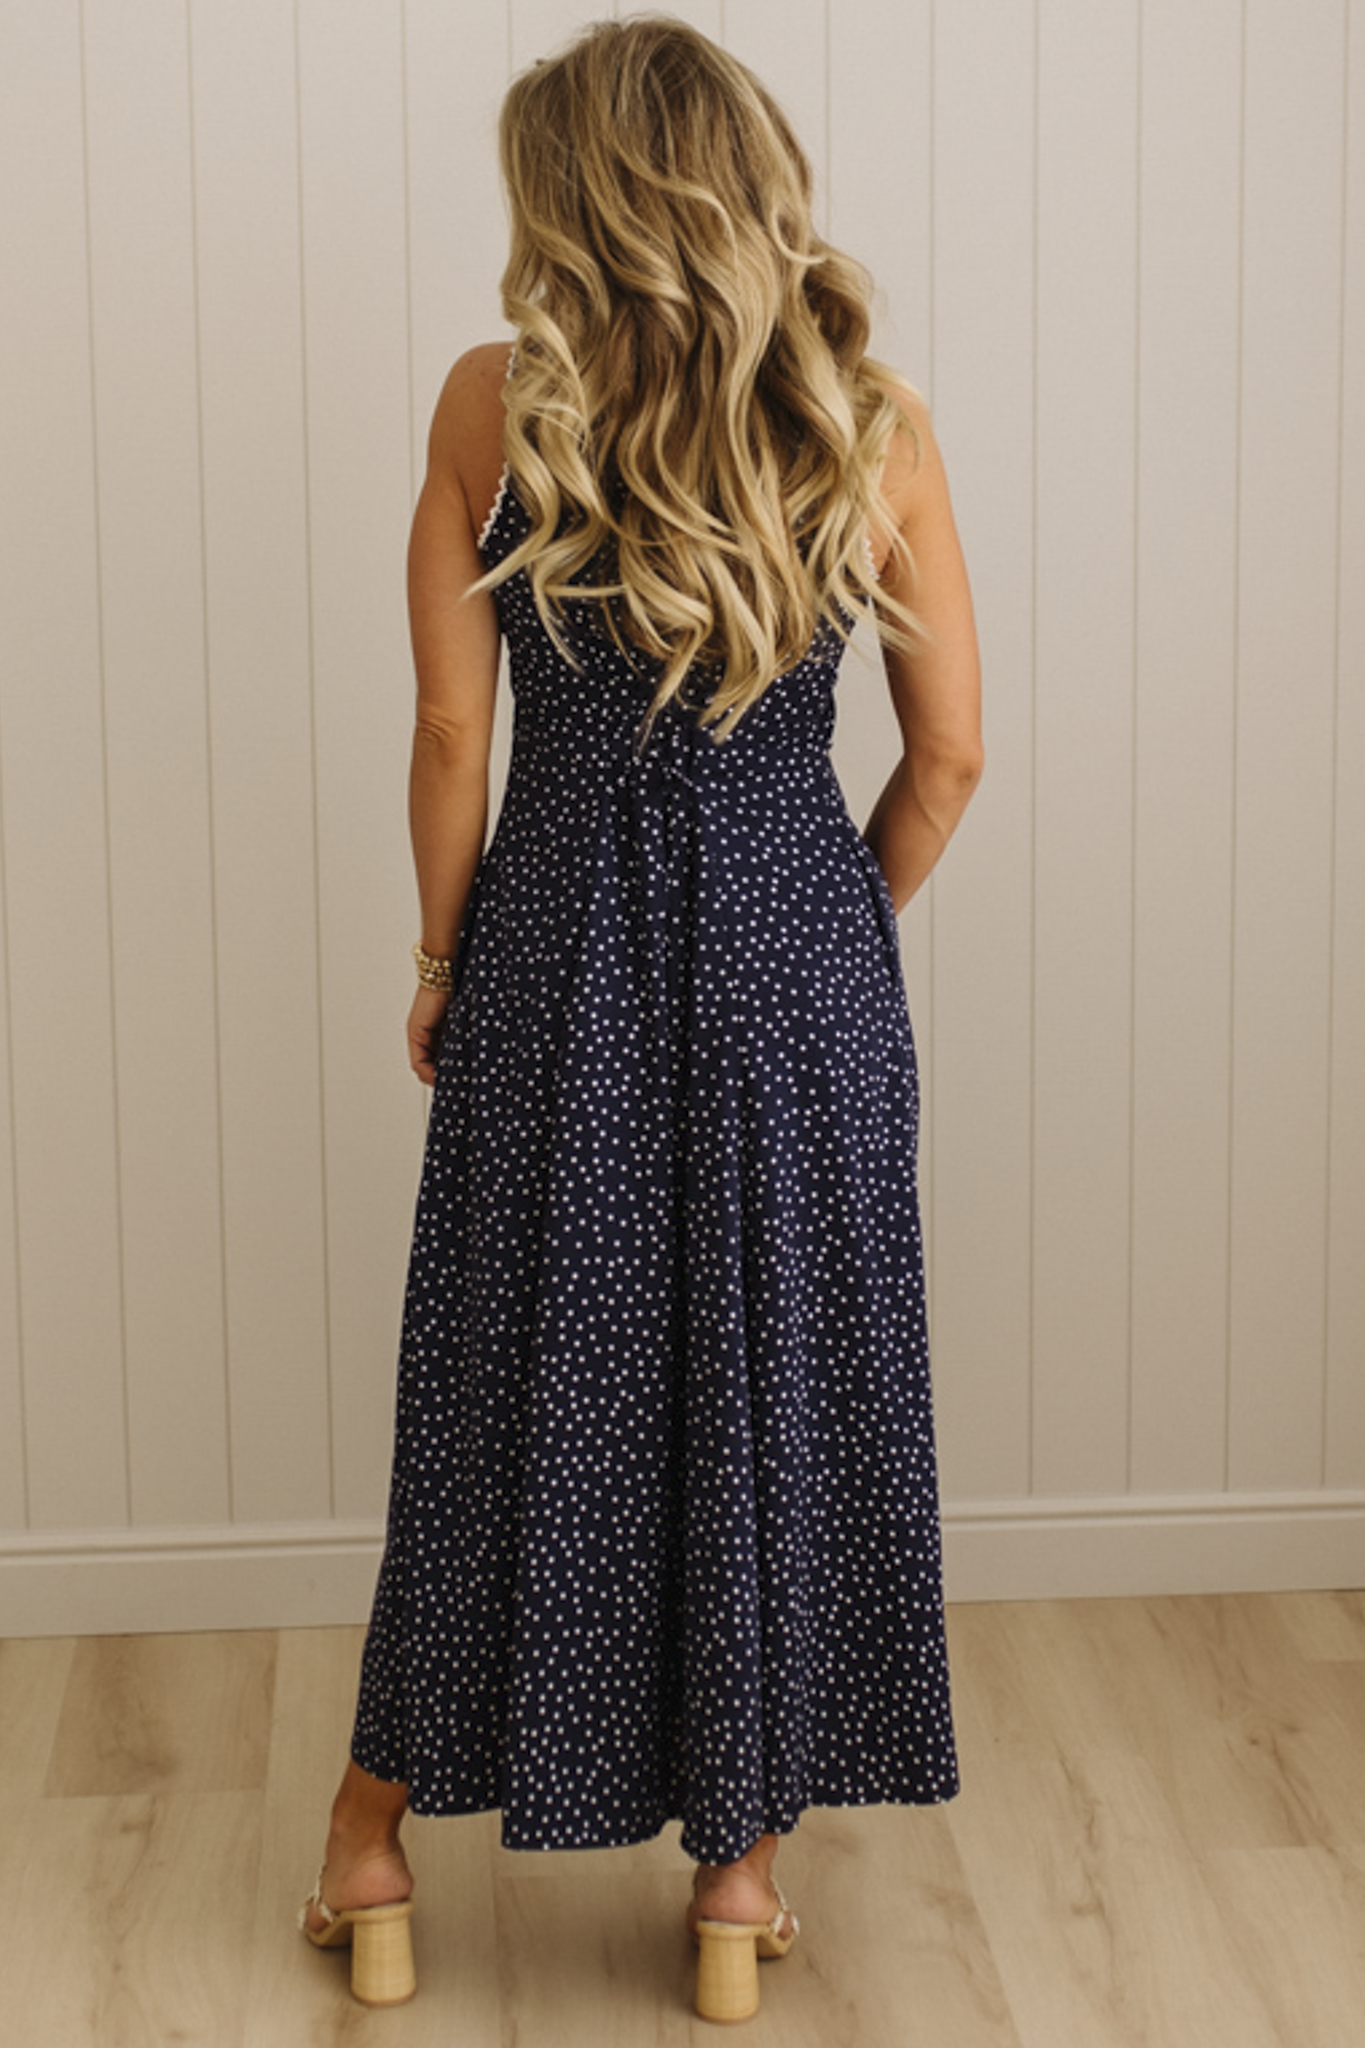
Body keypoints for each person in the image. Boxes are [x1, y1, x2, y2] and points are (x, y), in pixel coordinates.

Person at [300, 13, 982, 2025]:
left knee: (501, 1388)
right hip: (809, 984)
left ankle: (367, 1836)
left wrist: (441, 957)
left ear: (568, 202)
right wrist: (824, 940)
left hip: (551, 977)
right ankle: (737, 1881)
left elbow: (449, 730)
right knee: (773, 1387)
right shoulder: (873, 423)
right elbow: (947, 758)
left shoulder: (489, 407)